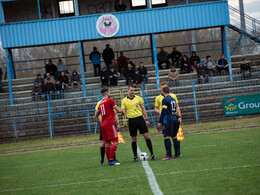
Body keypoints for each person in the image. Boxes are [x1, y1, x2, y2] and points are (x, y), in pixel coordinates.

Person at [121, 85, 155, 162]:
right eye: (131, 90)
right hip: (131, 120)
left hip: (140, 119)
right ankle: (135, 157)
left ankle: (152, 154)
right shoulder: (124, 101)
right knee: (133, 138)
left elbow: (143, 109)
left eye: (133, 90)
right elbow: (122, 111)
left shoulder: (138, 98)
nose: (132, 92)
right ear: (128, 90)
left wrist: (146, 119)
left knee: (146, 136)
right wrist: (123, 112)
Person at [94, 88, 125, 166]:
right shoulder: (110, 100)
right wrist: (123, 111)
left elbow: (95, 116)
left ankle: (109, 161)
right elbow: (118, 110)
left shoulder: (100, 104)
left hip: (103, 125)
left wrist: (101, 122)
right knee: (115, 141)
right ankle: (111, 160)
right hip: (110, 123)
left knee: (107, 143)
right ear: (107, 93)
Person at [154, 81, 181, 156]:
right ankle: (176, 154)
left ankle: (169, 155)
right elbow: (156, 109)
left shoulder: (165, 99)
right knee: (174, 136)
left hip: (167, 118)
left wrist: (160, 121)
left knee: (166, 136)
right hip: (173, 117)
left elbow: (164, 110)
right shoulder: (171, 98)